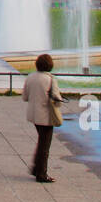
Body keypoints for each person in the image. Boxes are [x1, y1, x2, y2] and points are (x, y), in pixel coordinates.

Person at [22, 54, 63, 182]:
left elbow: (25, 97)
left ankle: (36, 168)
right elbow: (57, 99)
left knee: (42, 143)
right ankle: (41, 174)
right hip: (46, 116)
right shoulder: (50, 79)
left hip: (34, 115)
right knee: (45, 146)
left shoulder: (30, 77)